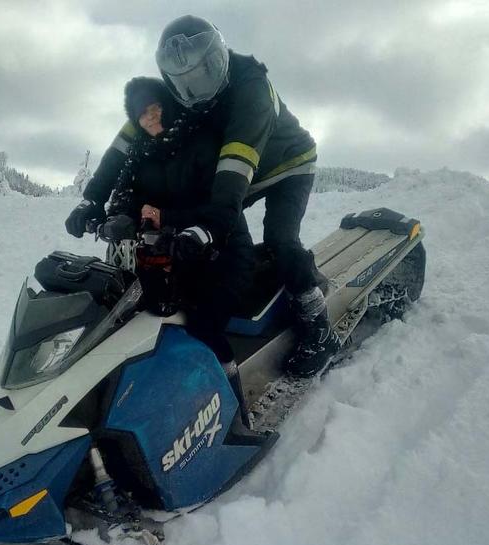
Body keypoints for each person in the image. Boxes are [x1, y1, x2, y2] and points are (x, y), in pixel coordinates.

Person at [66, 15, 337, 377]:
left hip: (286, 165)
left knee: (280, 239)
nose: (196, 89)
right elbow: (123, 145)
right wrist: (93, 198)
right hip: (237, 170)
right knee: (213, 238)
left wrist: (208, 226)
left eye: (204, 72)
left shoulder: (250, 90)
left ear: (219, 56)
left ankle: (318, 327)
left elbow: (233, 173)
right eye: (183, 81)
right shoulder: (179, 96)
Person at [94, 77, 255, 425]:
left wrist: (171, 220)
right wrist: (112, 219)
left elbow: (221, 209)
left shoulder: (201, 143)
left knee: (203, 323)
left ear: (168, 106)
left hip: (224, 250)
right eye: (142, 116)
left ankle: (235, 413)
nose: (151, 119)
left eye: (155, 109)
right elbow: (123, 194)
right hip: (174, 258)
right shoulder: (141, 153)